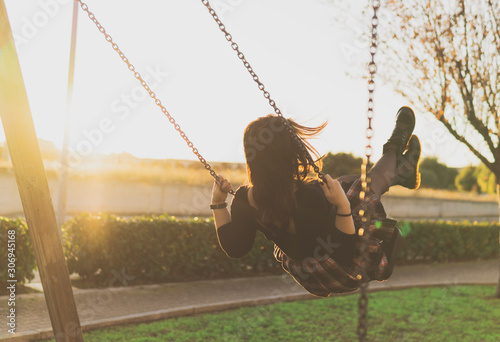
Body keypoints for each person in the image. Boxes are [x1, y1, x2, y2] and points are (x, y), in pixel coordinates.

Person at [210, 107, 421, 297]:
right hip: (344, 270)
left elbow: (235, 248)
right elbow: (345, 253)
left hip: (310, 277)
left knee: (343, 183)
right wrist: (342, 207)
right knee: (366, 186)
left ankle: (403, 170)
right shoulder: (309, 197)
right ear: (290, 154)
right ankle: (396, 149)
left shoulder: (244, 200)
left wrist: (218, 204)